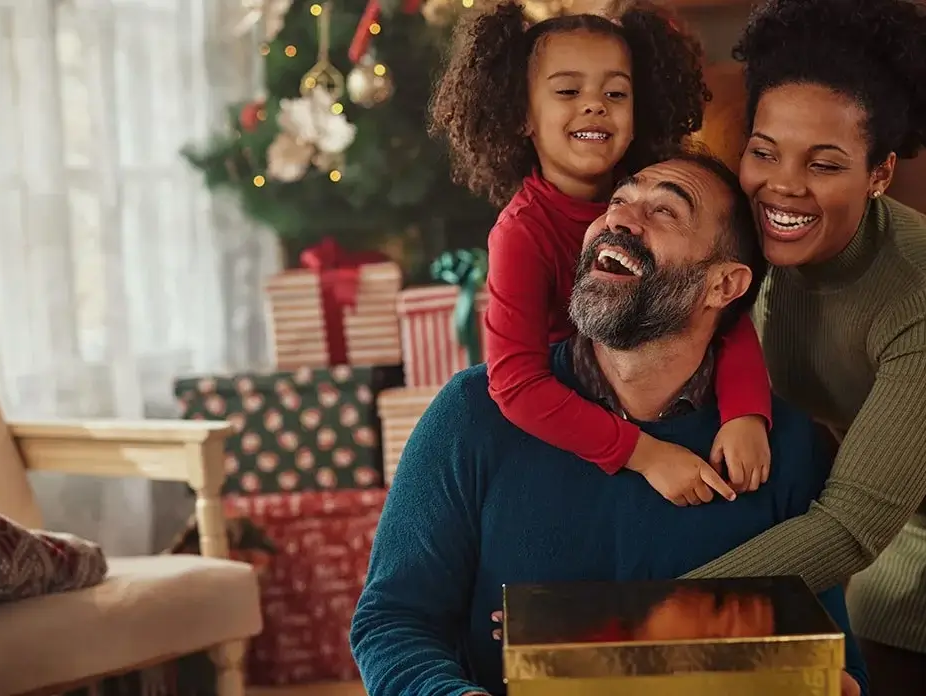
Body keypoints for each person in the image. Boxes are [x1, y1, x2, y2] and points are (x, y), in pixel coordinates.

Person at [350, 152, 867, 696]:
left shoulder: (780, 446)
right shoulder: (470, 414)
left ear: (723, 286)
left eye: (666, 212)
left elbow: (838, 660)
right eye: (618, 200)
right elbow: (392, 622)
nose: (619, 218)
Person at [428, 2, 772, 507]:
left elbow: (720, 306)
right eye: (568, 91)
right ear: (522, 114)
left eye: (615, 93)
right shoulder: (521, 232)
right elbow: (516, 383)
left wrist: (746, 411)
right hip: (576, 424)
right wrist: (645, 455)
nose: (595, 105)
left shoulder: (662, 192)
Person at [678, 1, 926, 691]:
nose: (783, 185)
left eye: (824, 163)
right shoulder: (740, 238)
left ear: (878, 174)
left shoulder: (915, 299)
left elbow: (851, 525)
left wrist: (652, 607)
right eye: (764, 151)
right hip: (868, 566)